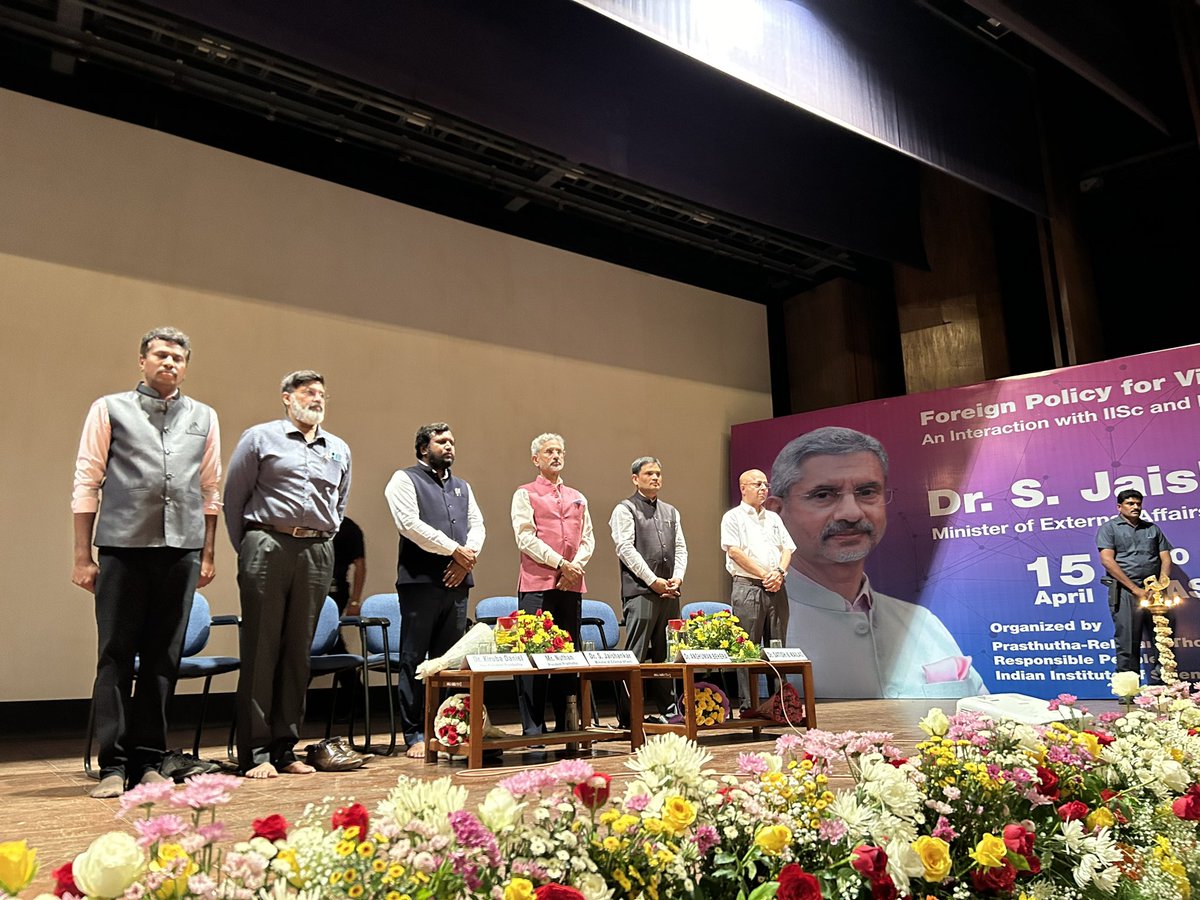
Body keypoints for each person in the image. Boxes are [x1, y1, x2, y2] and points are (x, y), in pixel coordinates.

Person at [72, 326, 222, 798]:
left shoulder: (204, 416)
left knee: (163, 659)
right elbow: (86, 480)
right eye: (160, 355)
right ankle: (114, 765)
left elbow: (209, 489)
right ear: (142, 361)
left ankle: (149, 760)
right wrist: (82, 555)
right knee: (115, 656)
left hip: (182, 550)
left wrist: (208, 553)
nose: (169, 363)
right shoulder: (109, 407)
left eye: (178, 357)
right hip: (121, 549)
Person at [767, 426, 985, 699]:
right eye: (824, 495)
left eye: (867, 492)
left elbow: (981, 729)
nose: (851, 512)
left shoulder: (921, 622)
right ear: (776, 513)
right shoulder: (752, 632)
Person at [224, 370, 352, 778]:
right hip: (267, 543)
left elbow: (340, 503)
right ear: (286, 398)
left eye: (321, 394)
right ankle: (256, 753)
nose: (316, 399)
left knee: (299, 653)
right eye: (307, 392)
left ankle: (285, 749)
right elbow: (233, 498)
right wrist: (249, 548)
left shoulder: (338, 448)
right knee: (262, 650)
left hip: (316, 549)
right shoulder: (260, 438)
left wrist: (322, 535)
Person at [384, 423, 485, 758]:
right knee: (414, 658)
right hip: (421, 583)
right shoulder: (404, 479)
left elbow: (477, 525)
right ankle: (414, 734)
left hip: (458, 583)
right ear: (423, 447)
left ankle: (447, 731)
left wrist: (466, 558)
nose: (449, 446)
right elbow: (410, 524)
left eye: (452, 441)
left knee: (451, 662)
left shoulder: (462, 486)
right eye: (441, 441)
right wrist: (453, 551)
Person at [511, 433, 594, 737]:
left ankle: (566, 725)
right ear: (536, 459)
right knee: (534, 656)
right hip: (537, 585)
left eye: (560, 451)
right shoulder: (525, 493)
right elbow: (525, 537)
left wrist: (576, 567)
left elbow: (587, 539)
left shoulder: (577, 496)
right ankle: (533, 729)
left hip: (571, 584)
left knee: (566, 656)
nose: (556, 456)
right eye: (549, 452)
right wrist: (561, 563)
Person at [610, 456, 687, 723]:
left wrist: (677, 578)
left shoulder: (671, 511)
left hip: (669, 592)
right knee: (636, 654)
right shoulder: (625, 509)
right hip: (641, 592)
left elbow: (680, 548)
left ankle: (668, 709)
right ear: (635, 479)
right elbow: (625, 549)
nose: (655, 478)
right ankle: (628, 714)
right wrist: (652, 580)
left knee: (666, 653)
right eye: (649, 474)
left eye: (658, 473)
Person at [720, 469, 795, 709]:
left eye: (766, 485)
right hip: (748, 587)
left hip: (776, 586)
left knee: (777, 645)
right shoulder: (733, 517)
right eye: (757, 484)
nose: (763, 488)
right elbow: (735, 552)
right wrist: (765, 575)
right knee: (747, 646)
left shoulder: (774, 518)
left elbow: (787, 549)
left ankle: (779, 704)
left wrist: (779, 574)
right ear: (743, 488)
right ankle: (748, 703)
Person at [1096, 488, 1174, 684]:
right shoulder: (1109, 528)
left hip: (1154, 592)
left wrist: (1161, 583)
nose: (1135, 507)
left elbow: (1165, 558)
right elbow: (1107, 561)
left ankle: (1167, 687)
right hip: (1126, 591)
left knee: (1162, 638)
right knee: (1128, 642)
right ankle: (1128, 692)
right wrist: (1135, 589)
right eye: (1130, 503)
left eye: (1138, 503)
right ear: (1119, 507)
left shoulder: (1152, 529)